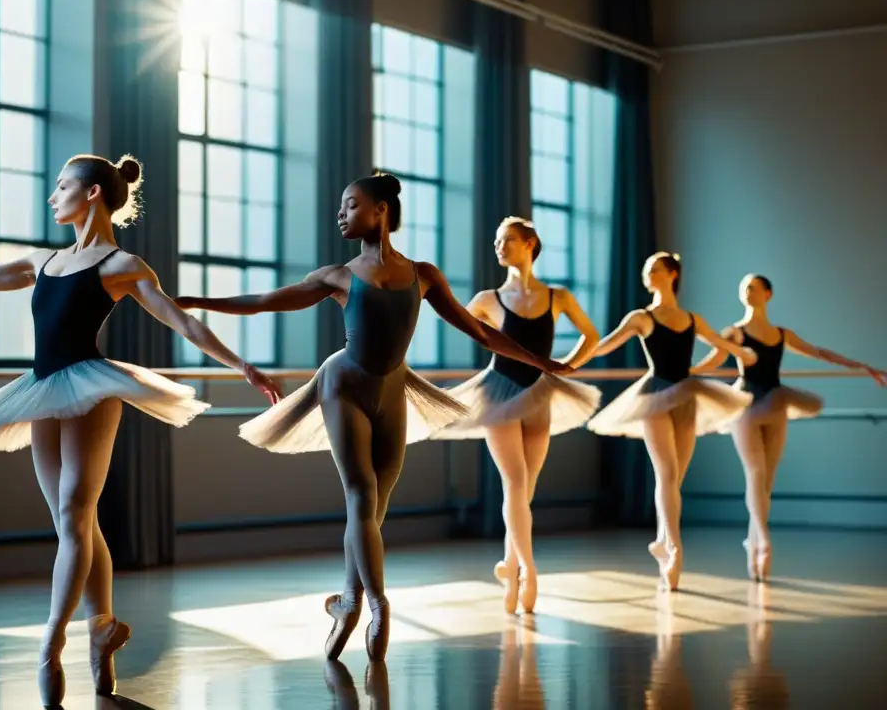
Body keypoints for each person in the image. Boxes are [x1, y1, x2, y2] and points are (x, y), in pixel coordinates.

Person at [0, 154, 282, 707]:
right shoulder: (43, 260)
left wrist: (241, 366)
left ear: (90, 193)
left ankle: (51, 642)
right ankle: (101, 628)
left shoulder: (121, 265)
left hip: (90, 389)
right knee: (74, 526)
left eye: (61, 186)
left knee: (73, 516)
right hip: (40, 390)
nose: (51, 194)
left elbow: (181, 320)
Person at [175, 172, 565, 661]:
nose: (341, 214)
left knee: (373, 511)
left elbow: (482, 335)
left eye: (350, 204)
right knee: (360, 494)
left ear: (381, 210)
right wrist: (196, 302)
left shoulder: (424, 275)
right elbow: (266, 302)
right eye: (341, 207)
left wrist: (543, 362)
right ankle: (378, 604)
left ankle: (349, 600)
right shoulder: (337, 276)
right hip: (345, 384)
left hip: (395, 389)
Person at [433, 217, 601, 614]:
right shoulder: (489, 299)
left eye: (506, 239)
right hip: (498, 392)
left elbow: (590, 335)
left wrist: (568, 365)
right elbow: (457, 319)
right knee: (515, 483)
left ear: (530, 244)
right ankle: (528, 569)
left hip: (539, 392)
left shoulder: (557, 296)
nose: (499, 246)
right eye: (496, 240)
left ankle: (509, 567)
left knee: (526, 490)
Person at [693, 273, 886, 581]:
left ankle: (753, 541)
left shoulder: (782, 334)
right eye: (744, 287)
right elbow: (714, 359)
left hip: (775, 404)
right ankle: (764, 540)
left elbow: (820, 352)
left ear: (768, 294)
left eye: (753, 287)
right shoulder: (735, 332)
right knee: (755, 474)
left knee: (766, 481)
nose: (747, 291)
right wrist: (684, 372)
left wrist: (863, 367)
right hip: (745, 405)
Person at [585, 252, 756, 590]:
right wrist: (574, 357)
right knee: (666, 473)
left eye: (655, 269)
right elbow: (606, 346)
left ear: (672, 274)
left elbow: (721, 347)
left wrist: (737, 356)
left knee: (676, 476)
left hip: (687, 393)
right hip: (654, 394)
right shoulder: (642, 316)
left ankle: (664, 543)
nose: (648, 274)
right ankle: (675, 548)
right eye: (646, 269)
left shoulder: (691, 318)